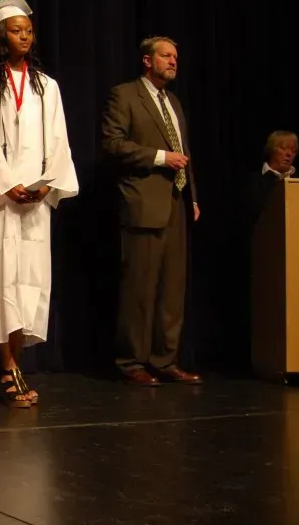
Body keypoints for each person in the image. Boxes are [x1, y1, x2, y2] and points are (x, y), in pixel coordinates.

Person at [0, 0, 78, 407]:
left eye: (28, 30)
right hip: (0, 200)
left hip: (35, 201)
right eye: (16, 30)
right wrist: (7, 182)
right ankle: (6, 364)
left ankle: (17, 361)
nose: (25, 36)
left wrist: (47, 184)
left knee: (28, 281)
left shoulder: (47, 86)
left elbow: (60, 141)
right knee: (2, 279)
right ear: (0, 37)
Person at [101, 36, 202, 387]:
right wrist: (160, 158)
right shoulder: (126, 95)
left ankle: (165, 359)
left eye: (175, 56)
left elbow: (184, 151)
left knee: (172, 289)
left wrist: (193, 198)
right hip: (143, 202)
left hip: (176, 203)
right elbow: (113, 143)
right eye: (166, 56)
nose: (173, 61)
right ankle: (131, 361)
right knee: (140, 289)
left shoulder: (173, 101)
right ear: (147, 60)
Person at [250, 130, 298, 225]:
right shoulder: (252, 181)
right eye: (284, 148)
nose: (289, 153)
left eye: (293, 150)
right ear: (271, 150)